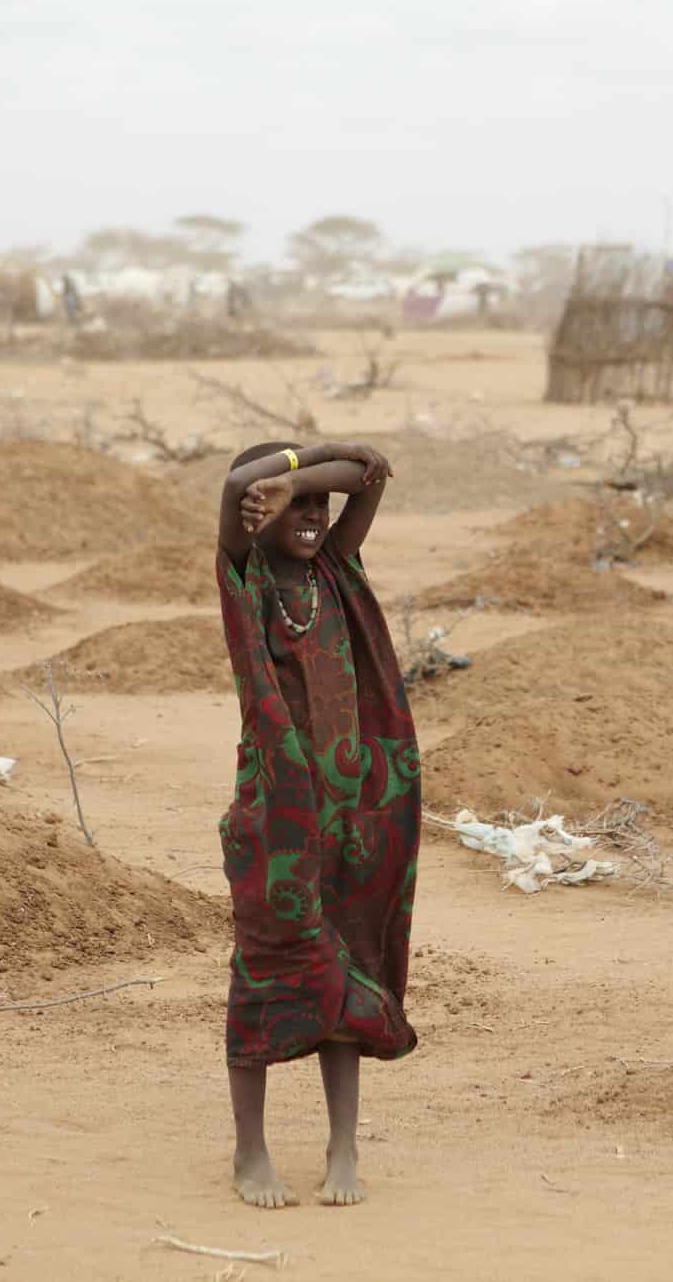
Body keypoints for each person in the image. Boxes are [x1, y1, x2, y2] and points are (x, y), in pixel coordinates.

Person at [214, 439, 420, 1208]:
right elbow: (237, 481)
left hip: (351, 822)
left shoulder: (336, 568)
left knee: (349, 973)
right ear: (255, 514)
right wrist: (273, 481)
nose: (309, 517)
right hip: (275, 824)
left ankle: (344, 1147)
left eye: (316, 506)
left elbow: (370, 475)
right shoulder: (247, 576)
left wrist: (306, 468)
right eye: (290, 505)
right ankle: (250, 1153)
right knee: (267, 968)